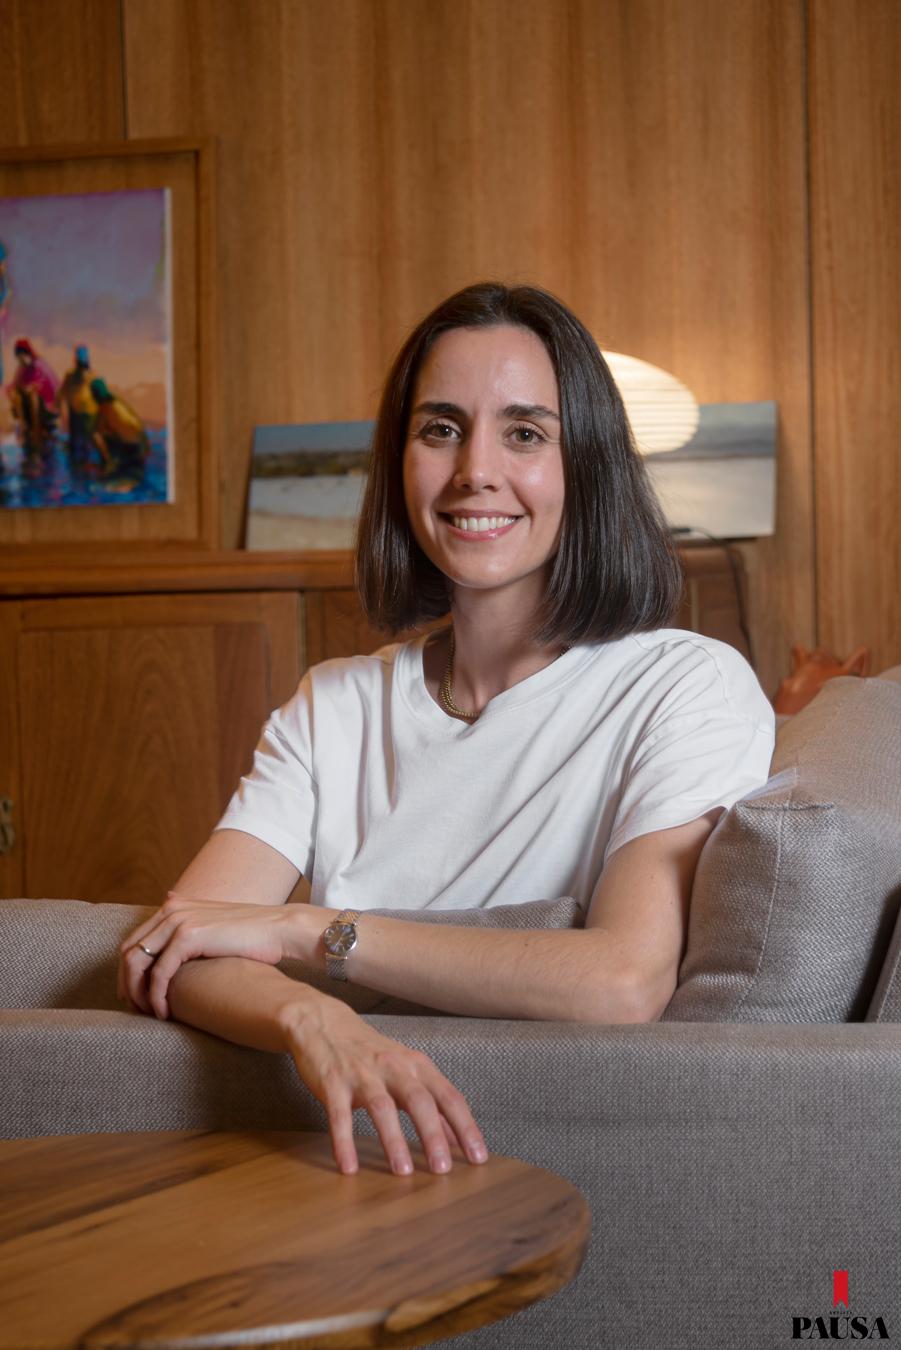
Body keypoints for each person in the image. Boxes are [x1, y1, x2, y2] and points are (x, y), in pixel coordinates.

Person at [119, 281, 775, 1179]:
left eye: (524, 433)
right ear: (399, 461)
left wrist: (313, 933)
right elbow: (179, 942)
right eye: (439, 429)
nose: (474, 470)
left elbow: (622, 980)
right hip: (326, 1159)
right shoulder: (334, 702)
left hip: (549, 1161)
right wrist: (314, 1020)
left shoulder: (681, 684)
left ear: (586, 464)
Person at [7, 337, 60, 461]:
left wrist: (31, 387)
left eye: (22, 356)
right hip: (28, 407)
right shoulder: (22, 368)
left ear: (28, 354)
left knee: (33, 396)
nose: (21, 360)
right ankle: (23, 428)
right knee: (18, 396)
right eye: (19, 358)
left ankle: (36, 433)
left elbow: (49, 385)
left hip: (46, 405)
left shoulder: (39, 365)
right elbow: (14, 385)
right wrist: (16, 390)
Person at [90, 377, 149, 483]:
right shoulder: (118, 403)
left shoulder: (104, 407)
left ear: (95, 395)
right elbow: (137, 425)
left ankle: (108, 464)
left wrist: (106, 458)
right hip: (139, 446)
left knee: (96, 435)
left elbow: (96, 432)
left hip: (126, 448)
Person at [58, 345, 98, 466]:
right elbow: (62, 394)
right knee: (77, 445)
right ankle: (78, 465)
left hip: (88, 415)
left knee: (85, 445)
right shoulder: (70, 375)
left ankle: (83, 464)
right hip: (76, 414)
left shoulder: (92, 375)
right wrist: (62, 413)